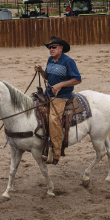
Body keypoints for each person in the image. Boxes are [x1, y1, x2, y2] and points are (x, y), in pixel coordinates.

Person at [34, 36, 81, 165]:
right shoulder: (50, 60)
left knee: (54, 119)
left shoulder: (68, 61)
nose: (51, 49)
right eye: (50, 47)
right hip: (48, 93)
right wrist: (41, 71)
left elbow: (77, 79)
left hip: (61, 96)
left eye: (54, 47)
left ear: (61, 48)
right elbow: (48, 77)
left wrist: (60, 85)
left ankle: (55, 153)